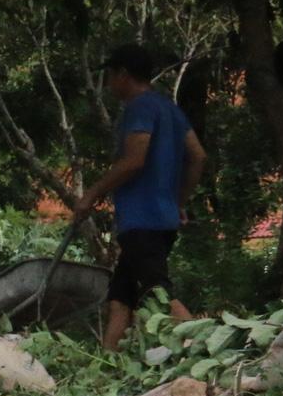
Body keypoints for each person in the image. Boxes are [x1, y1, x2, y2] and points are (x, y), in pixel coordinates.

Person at [73, 44, 208, 351]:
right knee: (120, 298)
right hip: (161, 218)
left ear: (123, 74)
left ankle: (211, 350)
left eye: (110, 75)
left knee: (158, 294)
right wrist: (178, 202)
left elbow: (135, 160)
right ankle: (105, 366)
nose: (108, 83)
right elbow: (198, 156)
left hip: (142, 220)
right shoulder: (169, 109)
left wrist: (91, 194)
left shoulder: (140, 108)